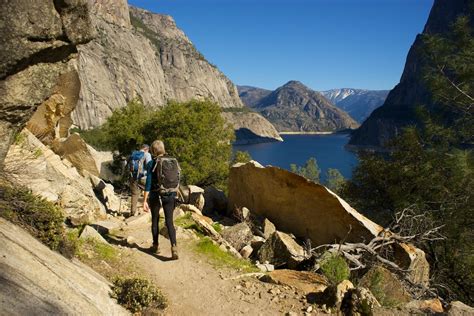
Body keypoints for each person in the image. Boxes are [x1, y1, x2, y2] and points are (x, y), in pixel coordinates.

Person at [143, 140, 179, 260]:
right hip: (171, 193)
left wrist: (144, 200)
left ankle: (155, 245)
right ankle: (174, 247)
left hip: (155, 195)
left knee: (155, 219)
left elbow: (148, 183)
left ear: (153, 150)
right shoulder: (172, 160)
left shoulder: (151, 163)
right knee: (169, 221)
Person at [129, 144, 152, 217]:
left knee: (135, 194)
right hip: (143, 178)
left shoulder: (133, 154)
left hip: (133, 177)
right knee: (151, 190)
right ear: (147, 149)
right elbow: (150, 166)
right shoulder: (147, 154)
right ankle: (150, 209)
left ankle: (133, 212)